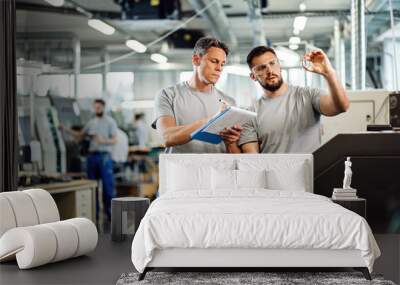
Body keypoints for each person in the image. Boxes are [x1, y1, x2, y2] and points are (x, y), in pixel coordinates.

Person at [237, 46, 349, 153]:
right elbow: (252, 160)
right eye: (262, 67)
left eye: (272, 63)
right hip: (273, 173)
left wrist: (329, 73)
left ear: (279, 66)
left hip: (310, 172)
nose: (270, 71)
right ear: (253, 76)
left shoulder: (308, 95)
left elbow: (342, 106)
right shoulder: (250, 114)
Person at [152, 37, 242, 153]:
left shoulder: (229, 102)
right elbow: (167, 137)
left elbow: (234, 154)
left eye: (222, 64)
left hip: (217, 169)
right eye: (214, 61)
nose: (219, 68)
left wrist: (231, 142)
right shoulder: (168, 95)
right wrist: (212, 120)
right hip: (180, 170)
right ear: (196, 60)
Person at [60, 99, 117, 221]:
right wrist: (65, 129)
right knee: (93, 187)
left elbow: (115, 140)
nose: (97, 109)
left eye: (99, 107)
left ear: (103, 107)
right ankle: (94, 214)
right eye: (95, 107)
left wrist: (103, 141)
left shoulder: (110, 122)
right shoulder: (91, 123)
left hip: (105, 157)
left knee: (108, 188)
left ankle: (110, 215)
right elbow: (79, 135)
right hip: (92, 157)